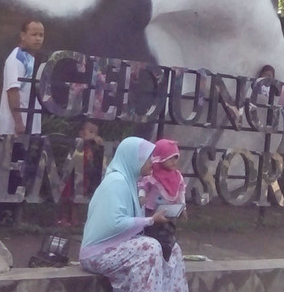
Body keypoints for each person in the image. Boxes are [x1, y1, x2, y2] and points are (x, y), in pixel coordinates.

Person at [79, 137, 188, 292]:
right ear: (133, 159)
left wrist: (153, 220)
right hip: (98, 251)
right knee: (150, 248)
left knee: (172, 248)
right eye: (147, 157)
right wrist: (150, 220)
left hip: (118, 245)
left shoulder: (131, 183)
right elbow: (114, 223)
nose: (152, 161)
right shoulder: (116, 182)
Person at [0, 19, 46, 225]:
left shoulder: (30, 59)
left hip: (29, 125)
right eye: (34, 34)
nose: (38, 38)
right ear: (22, 35)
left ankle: (11, 215)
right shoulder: (16, 59)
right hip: (14, 127)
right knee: (8, 171)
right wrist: (19, 122)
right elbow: (12, 90)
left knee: (19, 172)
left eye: (41, 35)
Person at [138, 138, 187, 261]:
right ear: (160, 158)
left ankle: (166, 254)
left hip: (170, 212)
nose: (174, 161)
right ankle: (152, 254)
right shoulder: (152, 175)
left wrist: (183, 207)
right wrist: (141, 196)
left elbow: (181, 193)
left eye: (176, 157)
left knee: (168, 232)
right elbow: (144, 186)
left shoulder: (177, 176)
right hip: (152, 211)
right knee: (152, 232)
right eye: (170, 158)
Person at [56, 118, 105, 227]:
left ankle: (74, 219)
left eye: (95, 133)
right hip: (71, 175)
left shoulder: (90, 147)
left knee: (77, 200)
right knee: (66, 198)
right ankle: (63, 219)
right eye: (91, 132)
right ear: (81, 133)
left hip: (83, 176)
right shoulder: (78, 143)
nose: (93, 135)